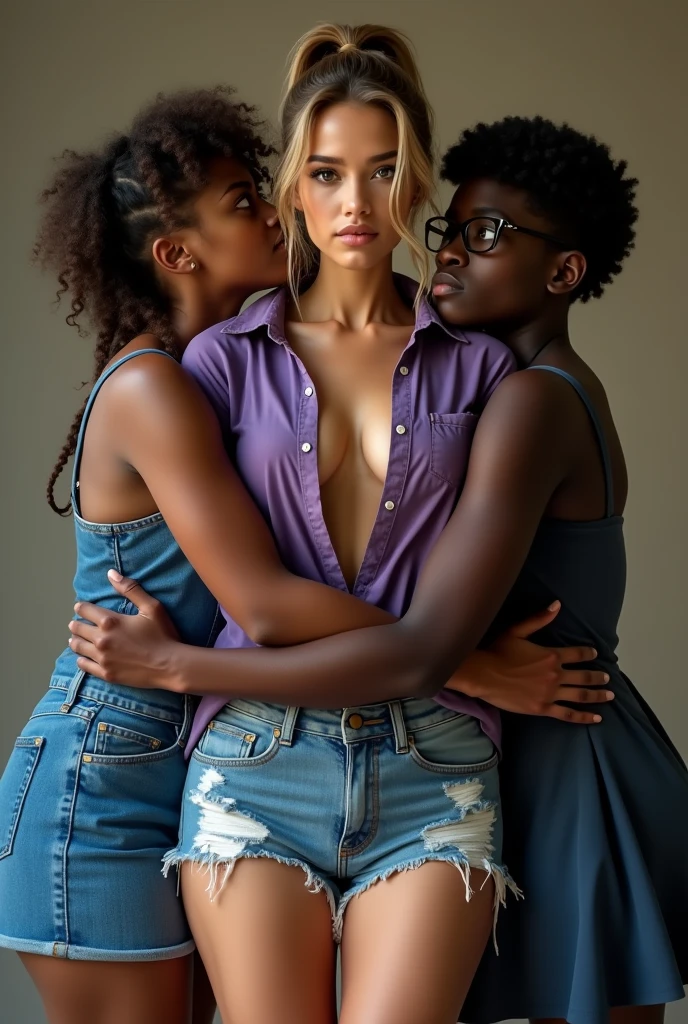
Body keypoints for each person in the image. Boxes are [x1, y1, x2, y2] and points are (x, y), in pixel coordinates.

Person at [67, 27, 615, 1024]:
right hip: (253, 760)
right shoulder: (219, 367)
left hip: (437, 768)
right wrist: (461, 659)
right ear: (292, 189)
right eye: (325, 173)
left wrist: (441, 669)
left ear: (415, 186)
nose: (354, 204)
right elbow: (264, 610)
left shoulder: (485, 373)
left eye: (383, 171)